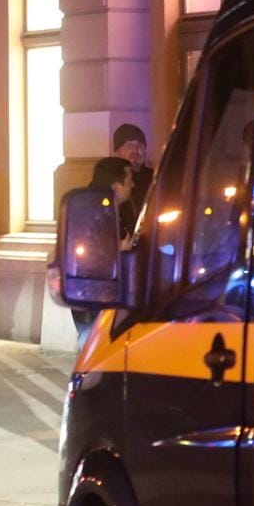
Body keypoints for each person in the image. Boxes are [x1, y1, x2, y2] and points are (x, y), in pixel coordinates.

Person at [49, 156, 137, 345]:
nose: (133, 185)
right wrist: (119, 250)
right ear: (115, 186)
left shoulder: (105, 207)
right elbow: (88, 251)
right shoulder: (92, 210)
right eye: (129, 181)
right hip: (92, 292)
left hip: (97, 291)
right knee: (93, 344)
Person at [112, 123, 154, 237]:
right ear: (117, 151)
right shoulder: (109, 179)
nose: (136, 150)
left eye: (140, 145)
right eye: (129, 145)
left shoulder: (155, 178)